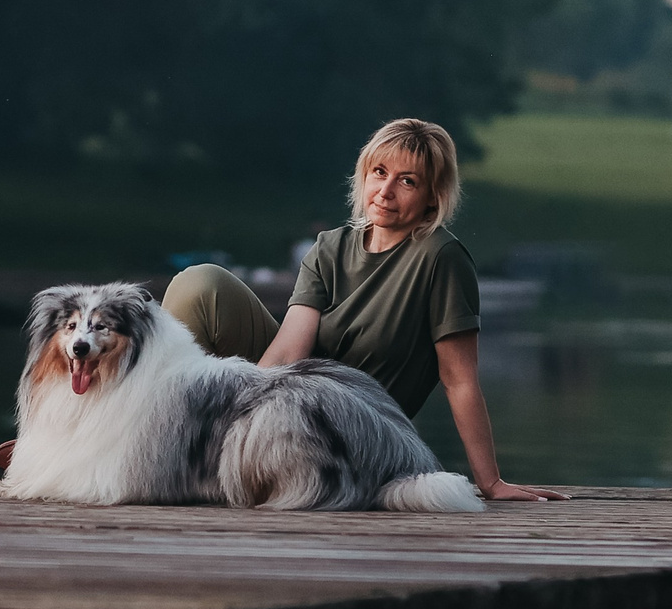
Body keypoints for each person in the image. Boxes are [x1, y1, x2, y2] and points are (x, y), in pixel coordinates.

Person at [163, 116, 565, 504]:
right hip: (289, 400)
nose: (386, 191)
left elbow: (458, 378)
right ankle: (155, 443)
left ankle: (198, 456)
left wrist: (490, 482)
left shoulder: (440, 258)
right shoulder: (330, 248)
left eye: (407, 181)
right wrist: (241, 428)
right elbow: (287, 355)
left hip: (352, 431)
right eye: (379, 172)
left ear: (433, 197)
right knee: (200, 284)